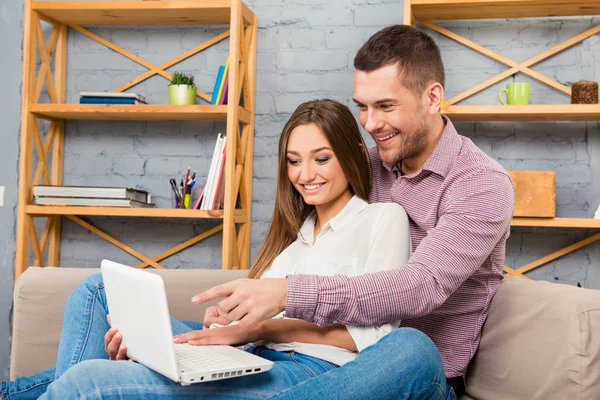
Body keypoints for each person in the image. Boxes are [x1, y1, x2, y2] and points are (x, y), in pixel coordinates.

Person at [1, 99, 442, 400]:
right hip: (249, 358)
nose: (305, 173)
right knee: (98, 290)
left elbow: (369, 338)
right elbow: (248, 323)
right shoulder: (291, 240)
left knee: (89, 381)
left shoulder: (382, 219)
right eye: (293, 160)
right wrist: (223, 322)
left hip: (309, 372)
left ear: (349, 156)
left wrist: (259, 329)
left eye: (321, 158)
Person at [191, 24, 515, 398]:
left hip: (412, 374)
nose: (370, 123)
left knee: (410, 346)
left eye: (385, 106)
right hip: (323, 361)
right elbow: (310, 236)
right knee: (112, 298)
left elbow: (422, 286)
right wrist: (239, 319)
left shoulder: (480, 183)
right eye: (362, 106)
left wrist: (287, 294)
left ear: (432, 97)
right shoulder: (363, 164)